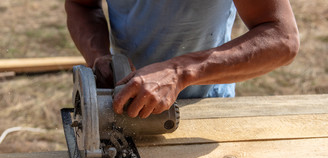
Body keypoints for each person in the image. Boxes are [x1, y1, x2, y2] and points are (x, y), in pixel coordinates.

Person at [65, 0, 299, 118]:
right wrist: (98, 56)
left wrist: (180, 72)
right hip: (126, 101)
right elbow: (81, 5)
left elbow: (281, 38)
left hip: (204, 104)